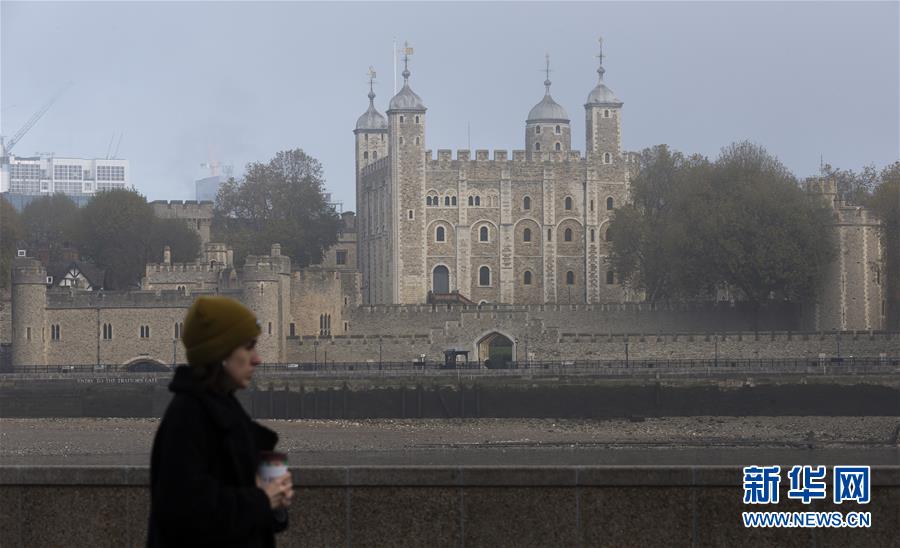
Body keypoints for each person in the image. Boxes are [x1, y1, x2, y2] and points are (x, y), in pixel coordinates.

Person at [147, 296, 293, 547]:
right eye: (249, 347)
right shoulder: (188, 417)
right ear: (221, 353)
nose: (257, 358)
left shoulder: (223, 408)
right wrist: (262, 499)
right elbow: (187, 513)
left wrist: (275, 505)